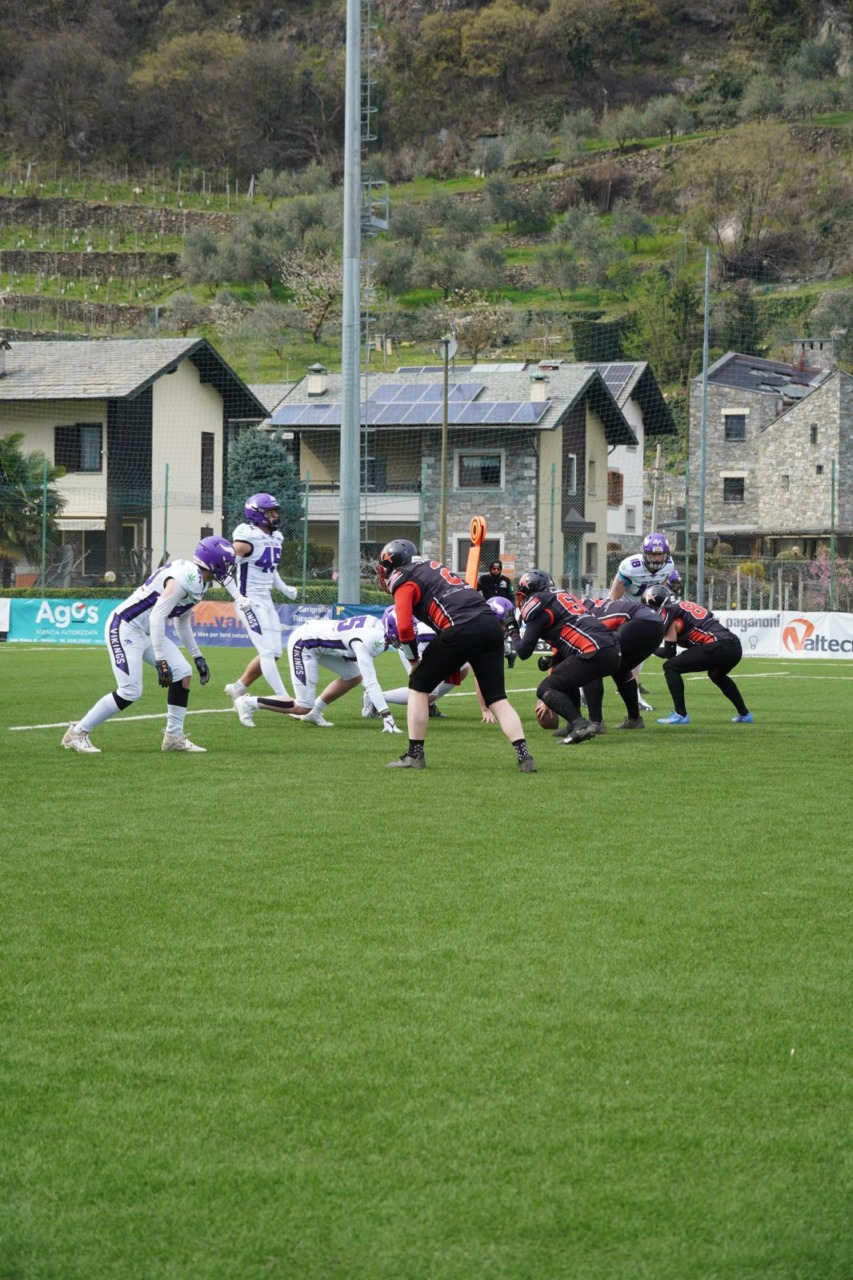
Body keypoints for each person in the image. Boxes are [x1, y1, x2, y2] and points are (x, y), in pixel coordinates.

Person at [61, 536, 237, 754]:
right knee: (130, 691)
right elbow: (156, 617)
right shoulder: (185, 578)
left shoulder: (200, 581)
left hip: (145, 632)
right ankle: (77, 733)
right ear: (213, 561)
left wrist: (197, 655)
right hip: (125, 626)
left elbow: (182, 622)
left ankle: (173, 737)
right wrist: (162, 660)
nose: (229, 569)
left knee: (183, 672)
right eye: (226, 563)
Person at [377, 539, 536, 772]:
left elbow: (403, 629)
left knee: (419, 685)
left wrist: (414, 661)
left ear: (393, 564)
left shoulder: (404, 578)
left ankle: (414, 755)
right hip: (490, 624)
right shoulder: (433, 566)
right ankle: (525, 757)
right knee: (497, 699)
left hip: (460, 627)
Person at [232, 613, 402, 733]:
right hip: (304, 644)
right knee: (302, 706)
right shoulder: (371, 640)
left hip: (321, 643)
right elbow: (371, 681)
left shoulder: (376, 625)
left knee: (353, 675)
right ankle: (248, 703)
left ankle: (315, 712)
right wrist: (386, 716)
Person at [515, 569, 621, 745]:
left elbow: (523, 652)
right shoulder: (561, 599)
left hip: (594, 650)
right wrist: (553, 660)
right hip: (611, 649)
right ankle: (573, 725)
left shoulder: (540, 604)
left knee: (545, 689)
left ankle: (580, 724)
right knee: (563, 670)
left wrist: (512, 631)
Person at [222, 492, 299, 709]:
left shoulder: (276, 537)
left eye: (275, 511)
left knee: (274, 653)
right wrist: (238, 597)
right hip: (249, 601)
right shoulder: (247, 537)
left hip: (266, 601)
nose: (274, 515)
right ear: (256, 514)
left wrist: (284, 589)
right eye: (269, 511)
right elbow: (225, 569)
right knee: (266, 652)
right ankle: (286, 700)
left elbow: (270, 570)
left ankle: (238, 688)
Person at [646, 587, 753, 725]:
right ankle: (744, 714)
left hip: (717, 646)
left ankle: (681, 714)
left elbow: (669, 653)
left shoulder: (669, 613)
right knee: (717, 675)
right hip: (734, 646)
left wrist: (648, 648)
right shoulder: (682, 606)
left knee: (670, 667)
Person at [609, 532, 675, 711]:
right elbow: (613, 598)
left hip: (643, 609)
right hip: (624, 607)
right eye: (652, 553)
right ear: (644, 553)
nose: (656, 557)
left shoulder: (668, 565)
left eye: (660, 553)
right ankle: (586, 687)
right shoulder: (630, 566)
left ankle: (633, 690)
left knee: (639, 650)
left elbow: (660, 588)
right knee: (610, 649)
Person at [581, 595, 666, 729]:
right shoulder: (597, 606)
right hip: (657, 625)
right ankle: (635, 719)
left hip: (638, 622)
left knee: (591, 664)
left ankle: (595, 722)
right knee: (620, 669)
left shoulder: (584, 614)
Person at [478, 559, 520, 666]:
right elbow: (474, 590)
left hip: (503, 613)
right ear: (490, 569)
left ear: (501, 569)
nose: (496, 571)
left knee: (501, 636)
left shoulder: (506, 581)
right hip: (488, 611)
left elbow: (511, 596)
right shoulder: (483, 579)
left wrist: (512, 609)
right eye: (494, 569)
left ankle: (505, 655)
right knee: (489, 635)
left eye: (498, 569)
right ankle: (509, 654)